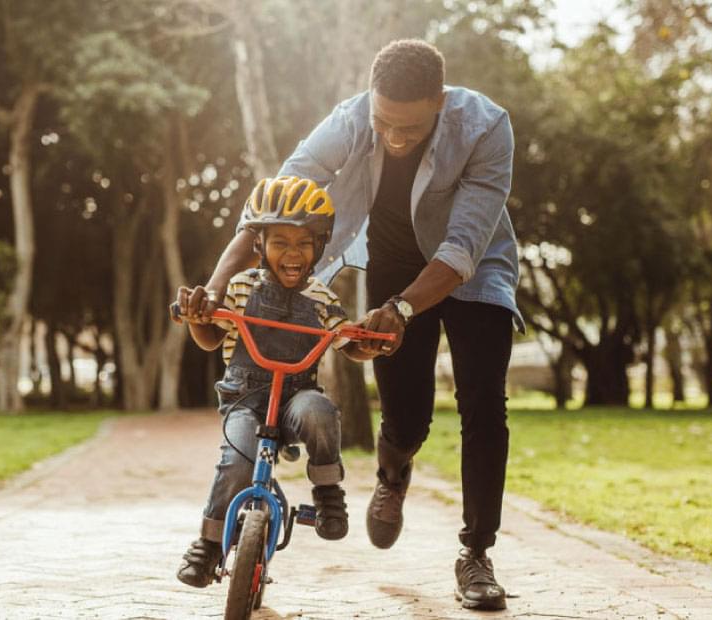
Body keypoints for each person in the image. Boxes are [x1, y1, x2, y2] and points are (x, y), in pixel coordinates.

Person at [182, 40, 522, 610]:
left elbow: (463, 246)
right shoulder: (350, 119)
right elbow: (274, 205)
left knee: (483, 402)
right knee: (407, 416)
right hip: (394, 261)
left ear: (439, 101)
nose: (393, 137)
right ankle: (394, 474)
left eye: (410, 128)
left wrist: (404, 310)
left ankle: (476, 553)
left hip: (474, 266)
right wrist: (216, 286)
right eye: (384, 122)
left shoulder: (486, 128)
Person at [174, 176, 380, 589]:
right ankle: (209, 543)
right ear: (259, 246)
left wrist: (370, 343)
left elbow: (347, 342)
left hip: (295, 398)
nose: (292, 253)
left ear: (319, 247)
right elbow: (212, 337)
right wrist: (198, 320)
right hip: (245, 399)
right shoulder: (238, 287)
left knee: (320, 413)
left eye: (304, 243)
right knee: (237, 461)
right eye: (280, 242)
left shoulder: (322, 298)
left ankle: (326, 492)